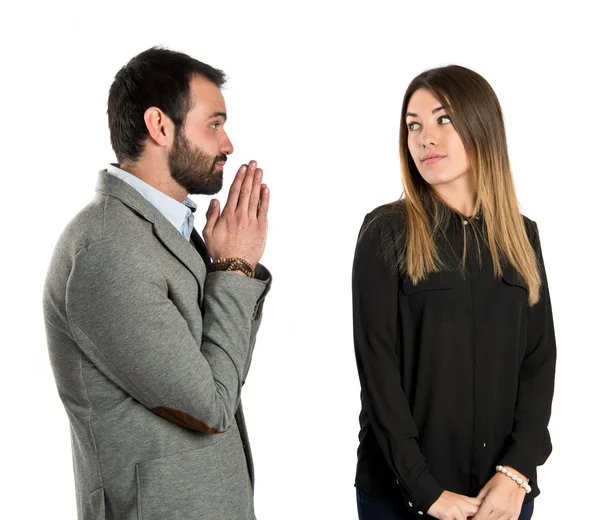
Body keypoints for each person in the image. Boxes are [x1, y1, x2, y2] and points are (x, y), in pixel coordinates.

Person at [43, 47, 271, 520]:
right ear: (160, 126)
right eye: (214, 123)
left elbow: (224, 374)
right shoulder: (108, 249)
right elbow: (209, 406)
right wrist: (235, 269)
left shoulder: (167, 231)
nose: (227, 144)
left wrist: (227, 265)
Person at [352, 65, 555, 520]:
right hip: (405, 499)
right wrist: (425, 491)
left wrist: (516, 473)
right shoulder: (387, 231)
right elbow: (377, 370)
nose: (426, 137)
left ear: (481, 125)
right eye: (414, 125)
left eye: (443, 119)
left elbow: (539, 361)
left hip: (501, 499)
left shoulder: (524, 236)